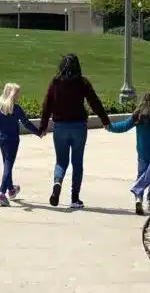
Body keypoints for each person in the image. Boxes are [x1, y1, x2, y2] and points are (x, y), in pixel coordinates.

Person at [38, 54, 111, 209]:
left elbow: (47, 104)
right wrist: (105, 120)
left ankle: (57, 182)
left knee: (61, 161)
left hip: (60, 127)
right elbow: (94, 102)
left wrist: (43, 126)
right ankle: (75, 198)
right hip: (79, 127)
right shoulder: (82, 83)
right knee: (77, 163)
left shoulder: (56, 82)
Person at [107, 88, 150, 215]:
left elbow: (124, 126)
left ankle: (139, 198)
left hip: (142, 152)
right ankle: (149, 202)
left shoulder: (138, 116)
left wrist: (110, 127)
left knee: (141, 174)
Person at [0, 82, 40, 207]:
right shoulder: (16, 109)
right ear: (12, 94)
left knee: (7, 164)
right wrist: (38, 132)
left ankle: (11, 190)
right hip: (12, 141)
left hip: (2, 140)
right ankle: (1, 193)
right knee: (8, 165)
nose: (18, 96)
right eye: (17, 93)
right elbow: (26, 123)